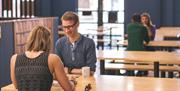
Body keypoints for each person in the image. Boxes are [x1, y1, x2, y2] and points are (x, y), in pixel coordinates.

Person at [10, 26, 74, 91]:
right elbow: (68, 88)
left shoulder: (14, 58)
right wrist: (72, 83)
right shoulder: (53, 59)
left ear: (30, 39)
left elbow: (16, 85)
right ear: (48, 41)